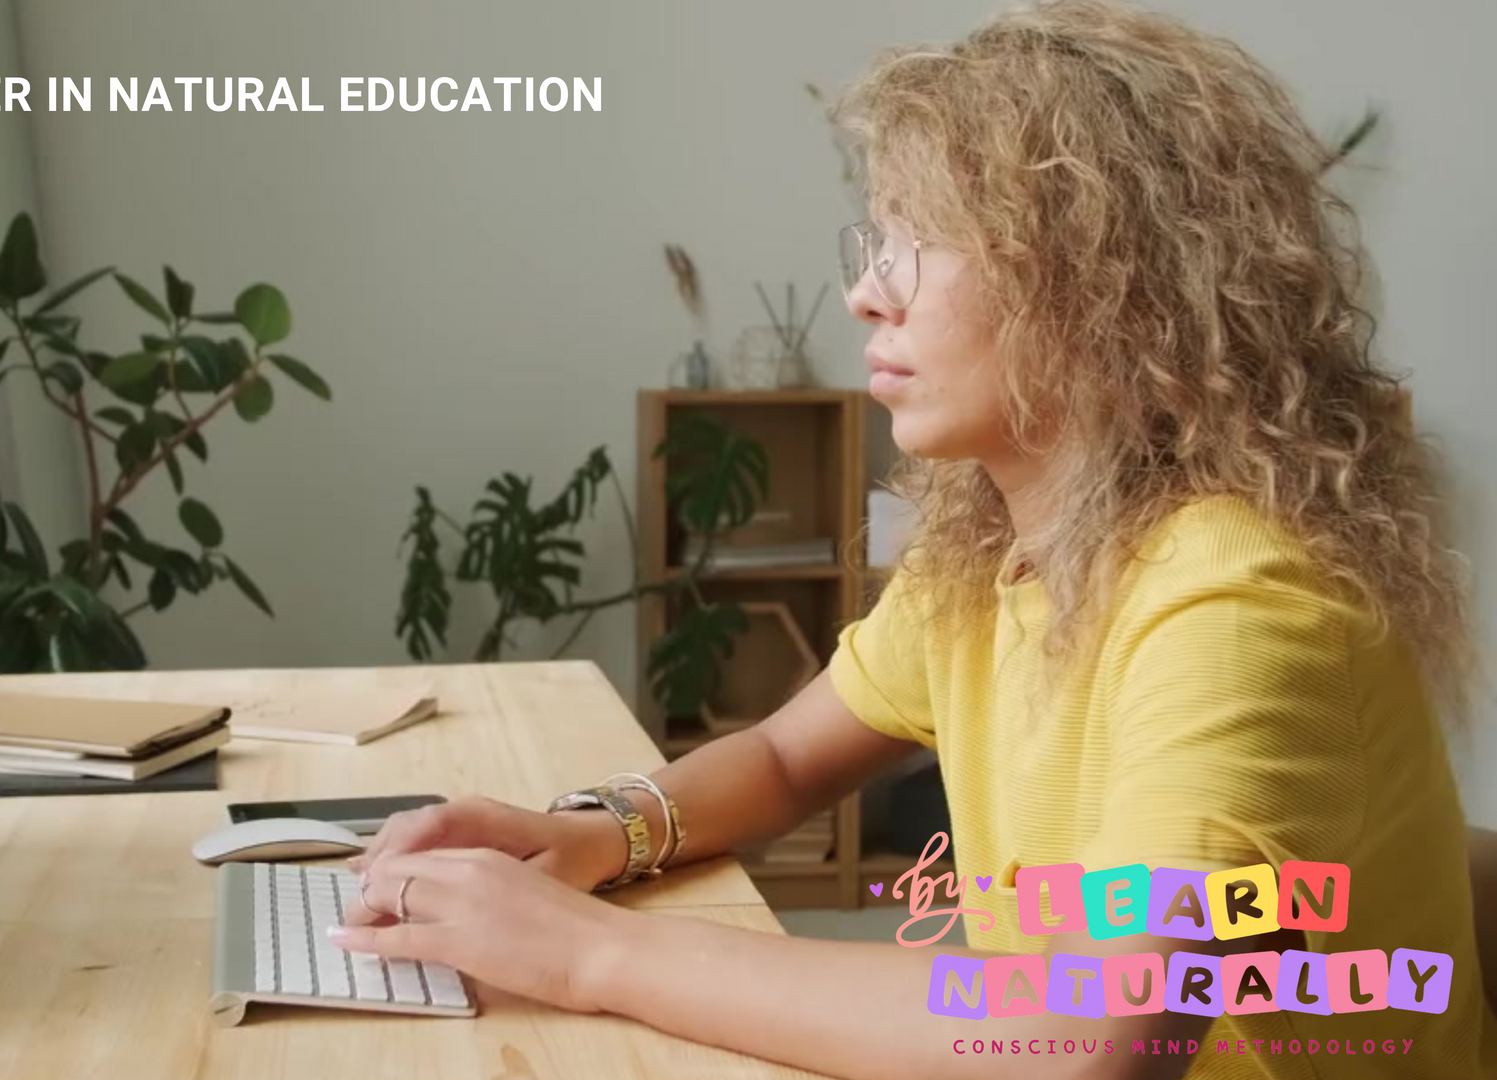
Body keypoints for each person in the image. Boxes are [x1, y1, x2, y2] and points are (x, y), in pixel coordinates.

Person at [332, 1, 1496, 1077]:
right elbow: (787, 760)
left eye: (925, 242)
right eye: (877, 242)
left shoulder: (1243, 600)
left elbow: (1090, 1031)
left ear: (1110, 288)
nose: (867, 297)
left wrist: (587, 953)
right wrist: (591, 832)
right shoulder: (986, 560)